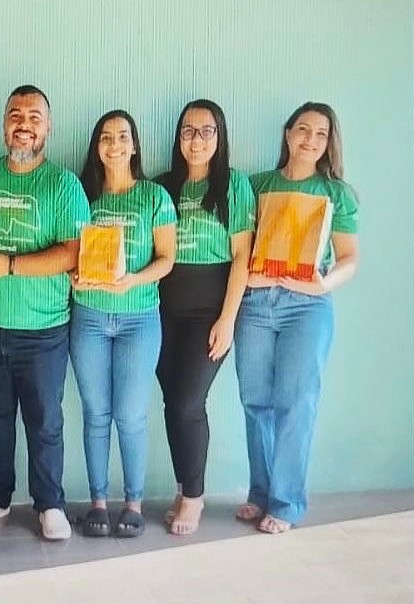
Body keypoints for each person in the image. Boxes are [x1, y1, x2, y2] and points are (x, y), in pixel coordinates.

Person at [0, 85, 91, 540]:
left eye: (35, 117)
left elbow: (72, 253)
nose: (24, 124)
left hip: (43, 329)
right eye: (16, 115)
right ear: (4, 125)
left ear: (48, 128)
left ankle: (50, 505)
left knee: (45, 423)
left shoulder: (63, 185)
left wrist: (8, 265)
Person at [234, 102, 359, 534]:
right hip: (254, 304)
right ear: (287, 134)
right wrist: (248, 278)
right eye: (303, 129)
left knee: (297, 403)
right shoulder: (255, 185)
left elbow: (349, 258)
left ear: (328, 143)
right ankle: (260, 492)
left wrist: (322, 285)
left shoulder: (336, 194)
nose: (310, 139)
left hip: (307, 309)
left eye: (321, 134)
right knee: (255, 401)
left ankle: (286, 503)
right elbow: (240, 247)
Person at [71, 110, 176, 538]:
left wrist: (132, 279)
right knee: (96, 414)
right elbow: (68, 252)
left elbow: (167, 259)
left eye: (122, 137)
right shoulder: (82, 197)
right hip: (89, 317)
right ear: (96, 147)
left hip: (139, 319)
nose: (114, 145)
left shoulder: (154, 197)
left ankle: (133, 503)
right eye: (106, 137)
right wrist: (73, 275)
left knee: (131, 416)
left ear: (134, 146)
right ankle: (98, 502)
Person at [153, 100, 255, 535]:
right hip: (161, 309)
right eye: (188, 131)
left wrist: (227, 319)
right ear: (178, 137)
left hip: (209, 311)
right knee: (172, 402)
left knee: (188, 402)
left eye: (206, 131)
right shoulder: (162, 186)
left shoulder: (233, 185)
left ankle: (194, 496)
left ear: (220, 136)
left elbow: (242, 257)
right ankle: (184, 488)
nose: (197, 140)